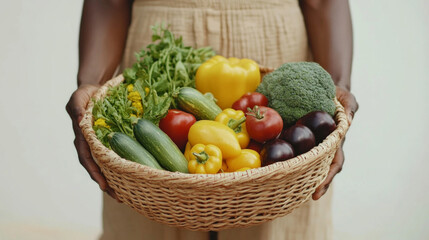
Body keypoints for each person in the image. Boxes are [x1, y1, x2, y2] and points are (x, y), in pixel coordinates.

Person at [66, 0, 359, 239]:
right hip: (158, 41)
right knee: (147, 213)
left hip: (273, 37)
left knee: (279, 210)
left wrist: (336, 92)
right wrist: (91, 85)